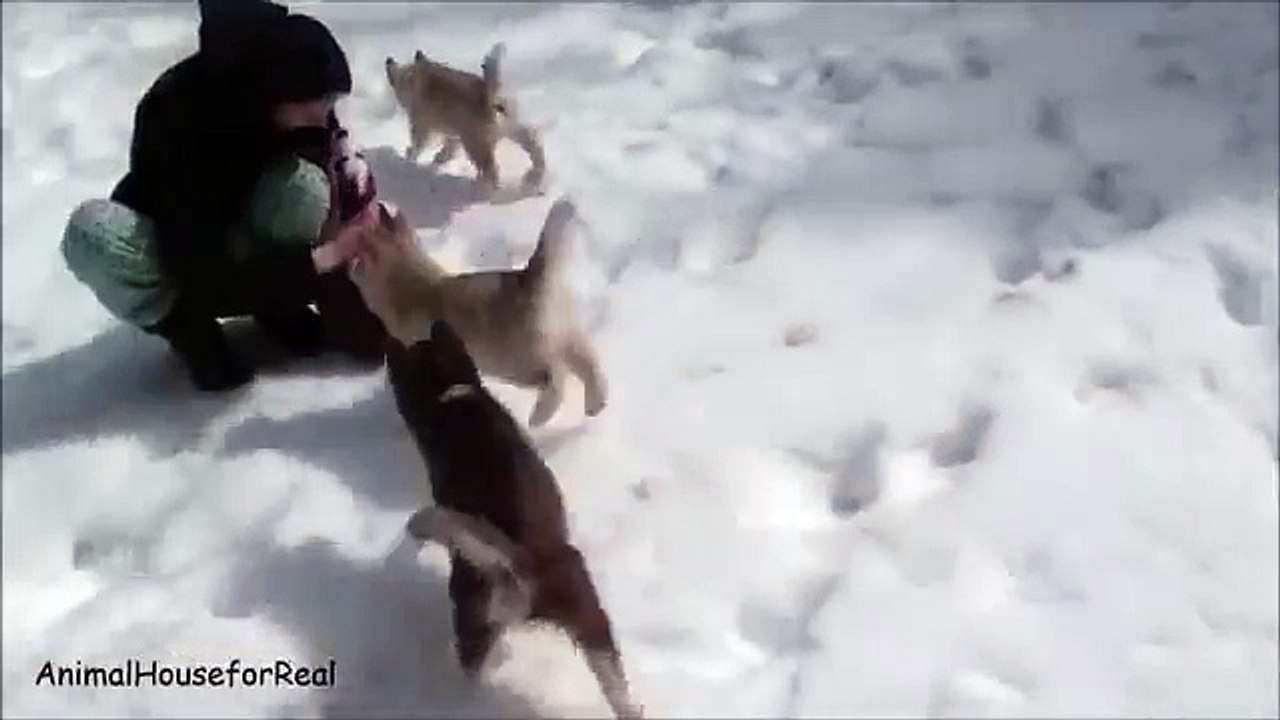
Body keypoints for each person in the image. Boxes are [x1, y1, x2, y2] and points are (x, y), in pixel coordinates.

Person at [59, 0, 387, 392]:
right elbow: (200, 271)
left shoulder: (295, 107)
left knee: (304, 186)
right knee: (92, 234)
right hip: (175, 253)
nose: (324, 115)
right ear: (274, 92)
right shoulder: (177, 115)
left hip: (245, 240)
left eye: (330, 103)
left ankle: (278, 310)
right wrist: (321, 261)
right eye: (315, 104)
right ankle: (189, 332)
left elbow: (343, 197)